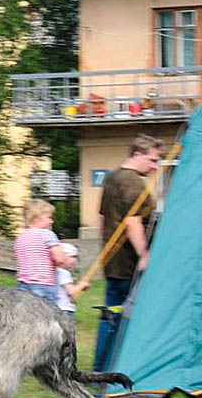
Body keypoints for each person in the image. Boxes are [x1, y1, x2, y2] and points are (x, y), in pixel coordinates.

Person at [92, 133, 163, 373]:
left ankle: (102, 365)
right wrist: (144, 255)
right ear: (137, 155)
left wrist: (105, 251)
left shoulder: (112, 178)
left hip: (113, 259)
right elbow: (133, 222)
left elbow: (101, 218)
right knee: (127, 315)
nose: (155, 167)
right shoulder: (132, 182)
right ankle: (119, 366)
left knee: (111, 313)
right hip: (129, 262)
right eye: (153, 160)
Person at [14, 199, 67, 306]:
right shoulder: (47, 234)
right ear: (37, 219)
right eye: (49, 218)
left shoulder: (20, 237)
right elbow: (60, 259)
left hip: (23, 286)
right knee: (48, 318)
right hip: (44, 285)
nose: (51, 221)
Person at [55, 242, 85, 319]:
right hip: (64, 310)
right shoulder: (64, 273)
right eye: (72, 256)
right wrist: (82, 285)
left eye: (76, 257)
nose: (75, 260)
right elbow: (71, 292)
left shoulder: (57, 271)